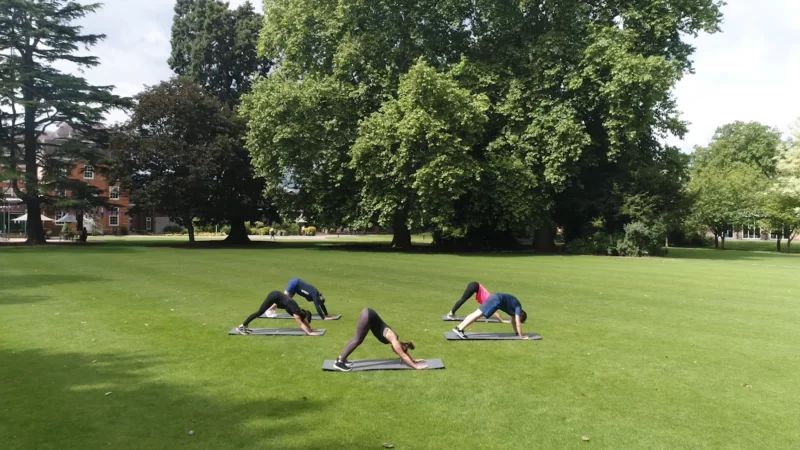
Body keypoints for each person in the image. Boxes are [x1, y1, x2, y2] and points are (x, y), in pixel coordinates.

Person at [333, 308, 427, 371]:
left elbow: (404, 352)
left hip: (368, 315)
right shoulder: (394, 340)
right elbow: (403, 355)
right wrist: (416, 367)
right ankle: (340, 363)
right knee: (357, 339)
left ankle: (341, 358)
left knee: (358, 339)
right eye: (396, 351)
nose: (395, 352)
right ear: (399, 346)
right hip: (368, 316)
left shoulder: (397, 340)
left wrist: (413, 360)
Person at [237, 291, 321, 335]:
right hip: (274, 296)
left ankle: (245, 325)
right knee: (260, 312)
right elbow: (300, 323)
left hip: (278, 297)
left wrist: (311, 329)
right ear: (302, 314)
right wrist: (309, 332)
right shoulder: (295, 311)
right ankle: (242, 326)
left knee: (260, 312)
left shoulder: (298, 311)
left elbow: (303, 321)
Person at [451, 293, 530, 339]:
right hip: (496, 300)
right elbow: (517, 323)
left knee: (477, 313)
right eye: (520, 318)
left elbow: (514, 322)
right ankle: (459, 329)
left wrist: (516, 333)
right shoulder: (518, 308)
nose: (518, 319)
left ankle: (459, 327)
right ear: (522, 314)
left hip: (494, 297)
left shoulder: (514, 310)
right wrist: (521, 336)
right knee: (478, 314)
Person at [265, 278, 335, 320]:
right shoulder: (315, 294)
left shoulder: (317, 296)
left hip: (296, 286)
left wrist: (326, 314)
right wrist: (323, 318)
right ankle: (269, 310)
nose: (319, 304)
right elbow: (317, 306)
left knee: (285, 300)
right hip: (294, 283)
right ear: (319, 300)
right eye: (319, 302)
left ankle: (271, 310)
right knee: (283, 299)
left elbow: (321, 305)